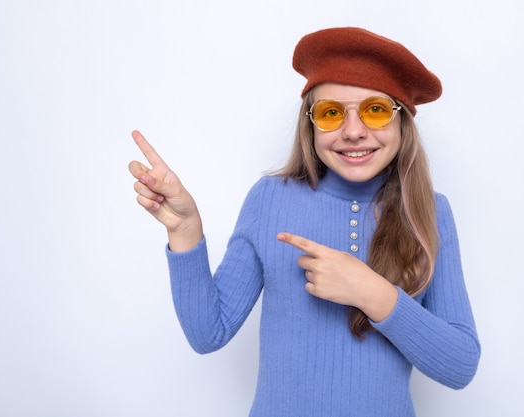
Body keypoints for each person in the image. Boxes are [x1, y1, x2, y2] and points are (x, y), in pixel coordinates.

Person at [129, 27, 480, 417]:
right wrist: (184, 230)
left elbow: (461, 365)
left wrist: (371, 292)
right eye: (331, 113)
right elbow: (208, 333)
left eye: (375, 110)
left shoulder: (430, 211)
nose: (353, 131)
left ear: (403, 122)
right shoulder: (270, 199)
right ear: (310, 125)